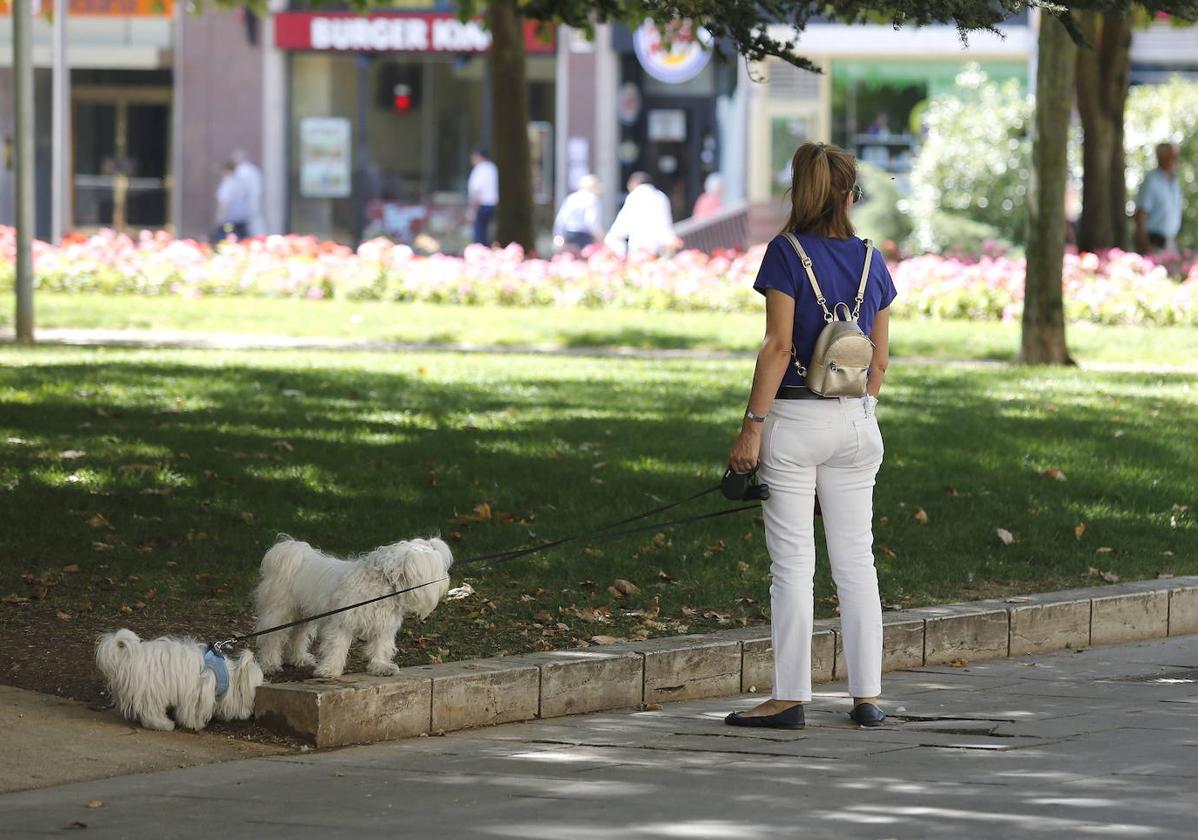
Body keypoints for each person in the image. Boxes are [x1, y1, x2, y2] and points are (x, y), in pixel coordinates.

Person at [725, 141, 896, 731]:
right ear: (850, 195)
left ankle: (790, 696)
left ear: (801, 193)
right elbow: (879, 362)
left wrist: (752, 427)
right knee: (857, 561)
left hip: (795, 421)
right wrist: (859, 409)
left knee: (794, 564)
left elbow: (776, 346)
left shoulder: (785, 254)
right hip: (857, 425)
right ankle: (867, 697)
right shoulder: (874, 259)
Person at [604, 172, 680, 256]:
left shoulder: (634, 196)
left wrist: (612, 237)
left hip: (638, 247)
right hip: (658, 247)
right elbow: (666, 223)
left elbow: (623, 223)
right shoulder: (661, 196)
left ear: (634, 183)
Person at [1134, 142, 1183, 254]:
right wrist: (1144, 246)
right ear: (1160, 158)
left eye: (1176, 156)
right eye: (1172, 156)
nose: (1176, 159)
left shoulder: (1174, 182)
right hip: (1153, 244)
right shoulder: (1151, 181)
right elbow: (1140, 215)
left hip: (1170, 243)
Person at [553, 174, 605, 253]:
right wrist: (601, 240)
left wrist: (558, 237)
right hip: (584, 237)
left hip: (569, 235)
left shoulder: (571, 198)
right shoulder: (593, 199)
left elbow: (561, 220)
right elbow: (592, 222)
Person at [211, 161, 251, 243]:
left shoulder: (228, 184)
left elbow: (225, 203)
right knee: (241, 241)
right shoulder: (240, 183)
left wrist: (219, 218)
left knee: (226, 240)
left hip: (229, 220)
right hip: (242, 218)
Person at [467, 147, 499, 245]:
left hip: (481, 205)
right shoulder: (492, 168)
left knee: (479, 233)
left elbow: (477, 190)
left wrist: (472, 209)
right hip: (492, 205)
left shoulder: (480, 169)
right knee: (487, 232)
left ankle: (480, 254)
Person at [232, 150, 264, 237]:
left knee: (251, 222)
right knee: (255, 221)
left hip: (247, 201)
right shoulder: (252, 170)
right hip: (253, 200)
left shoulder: (242, 171)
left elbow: (241, 190)